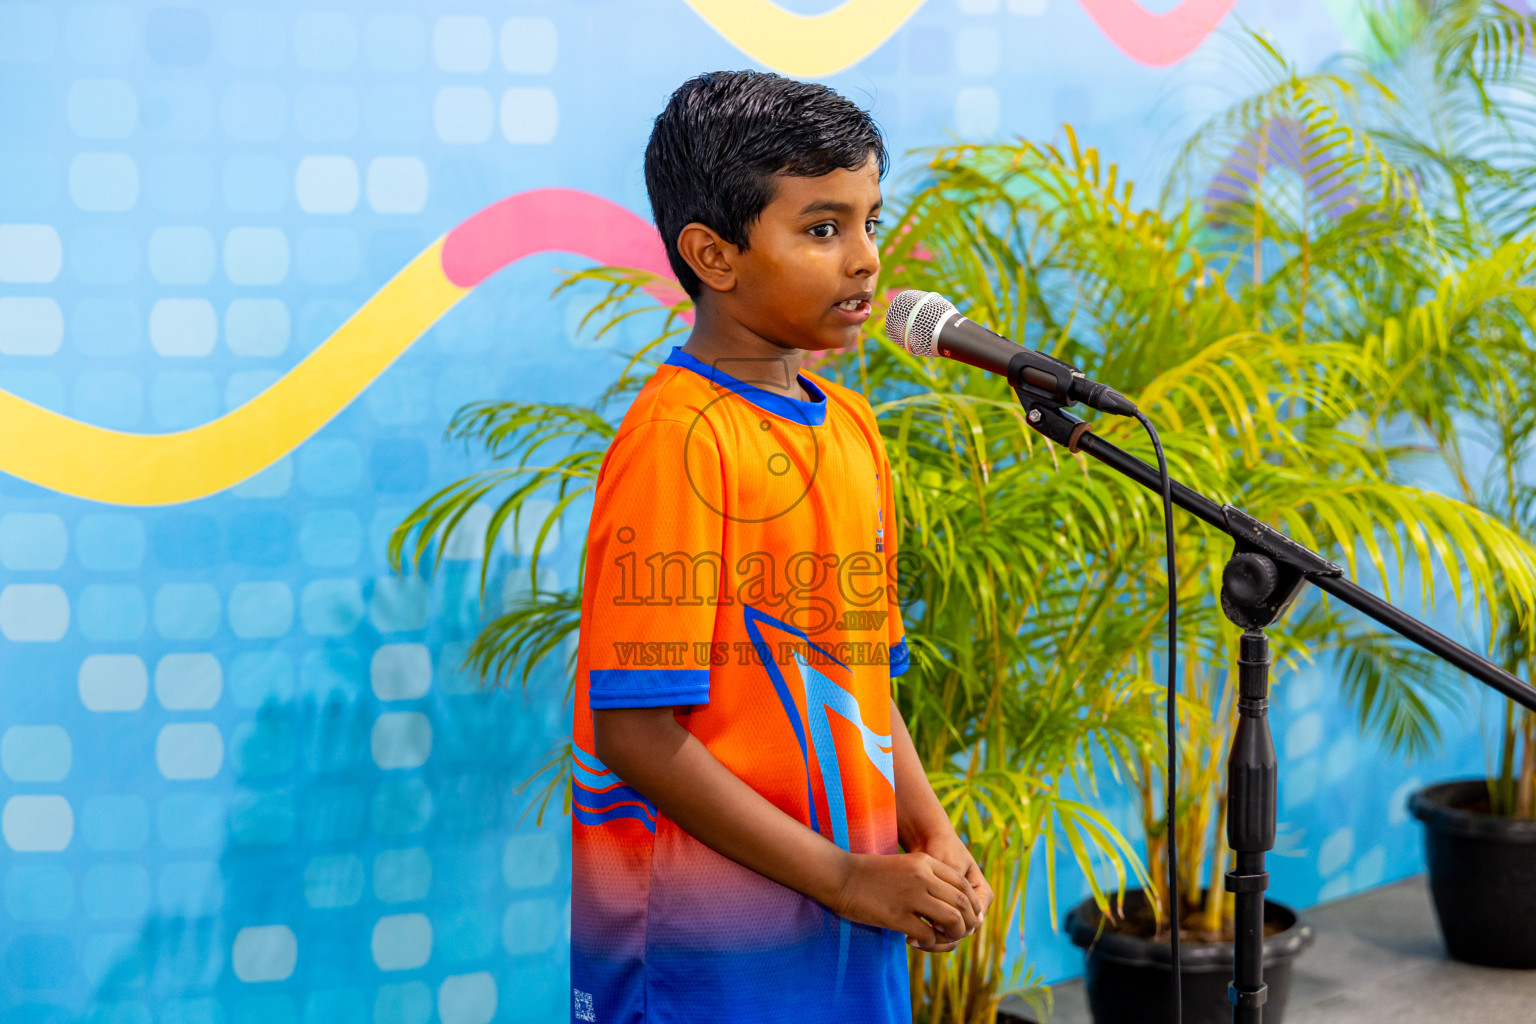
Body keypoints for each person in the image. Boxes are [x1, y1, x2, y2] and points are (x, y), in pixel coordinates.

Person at [569, 71, 992, 1024]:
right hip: (705, 958)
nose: (866, 260)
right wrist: (843, 877)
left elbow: (864, 687)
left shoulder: (850, 428)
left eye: (871, 222)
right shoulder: (680, 439)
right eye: (822, 228)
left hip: (844, 927)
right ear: (713, 255)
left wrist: (929, 831)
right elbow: (636, 733)